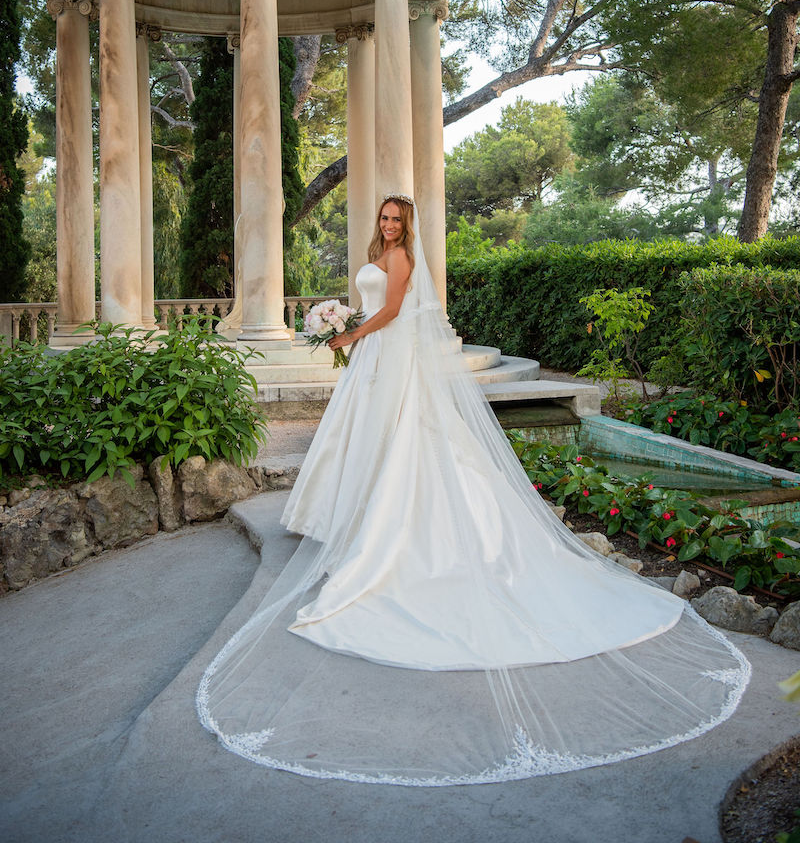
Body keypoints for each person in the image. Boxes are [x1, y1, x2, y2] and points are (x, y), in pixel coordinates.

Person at [197, 196, 749, 786]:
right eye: (382, 218)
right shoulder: (376, 252)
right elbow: (370, 302)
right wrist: (341, 322)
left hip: (386, 350)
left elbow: (393, 312)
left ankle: (391, 530)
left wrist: (348, 334)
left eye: (394, 220)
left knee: (405, 439)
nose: (387, 226)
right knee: (362, 436)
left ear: (406, 225)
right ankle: (352, 519)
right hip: (370, 356)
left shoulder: (404, 257)